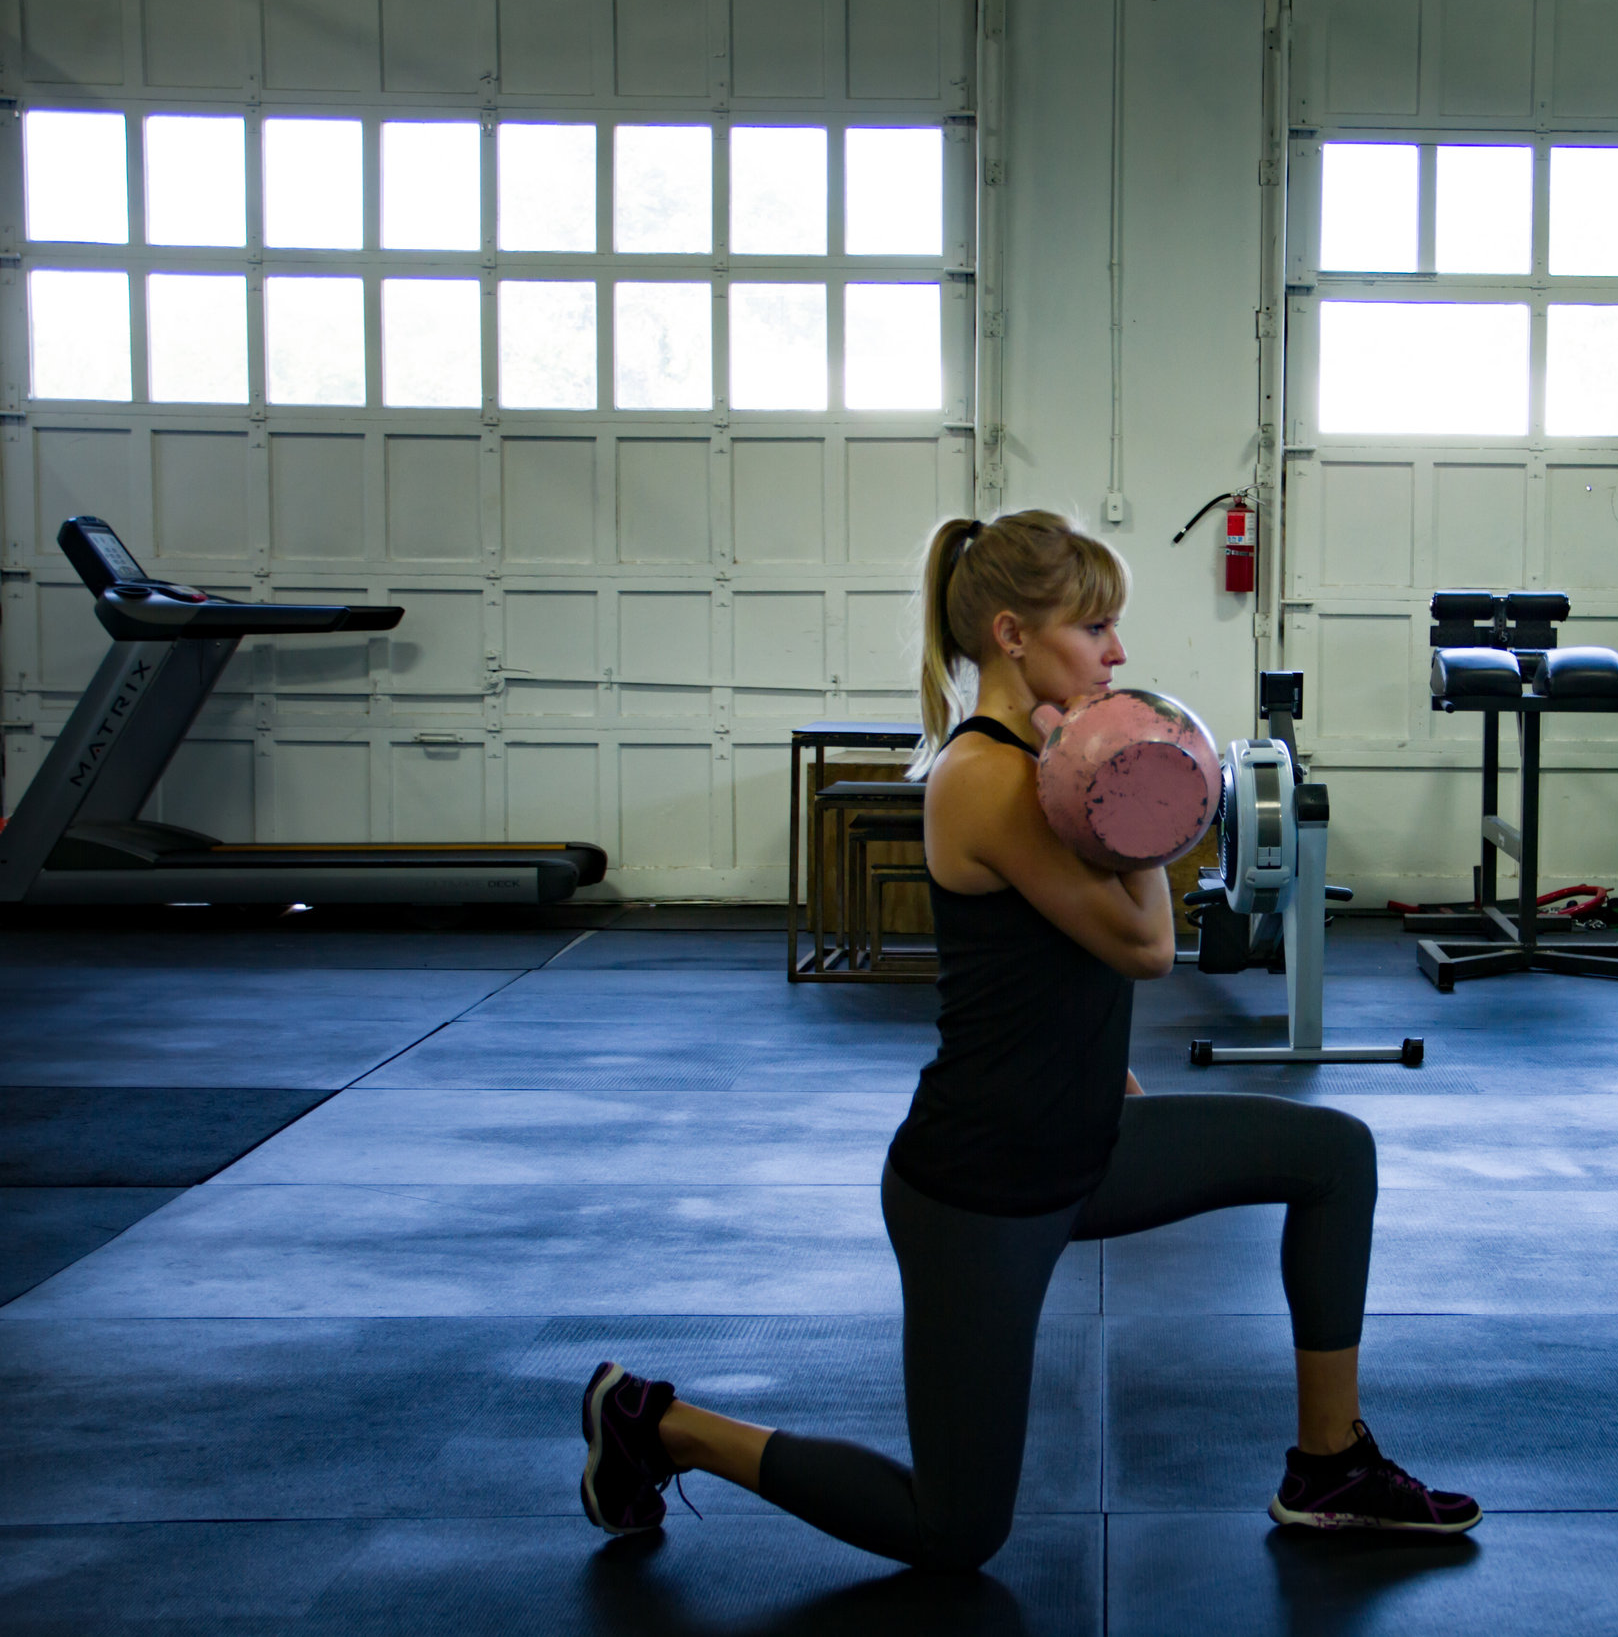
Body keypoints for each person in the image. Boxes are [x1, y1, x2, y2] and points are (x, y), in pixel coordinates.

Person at [578, 510, 1479, 1569]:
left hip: (1085, 1139)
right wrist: (1133, 783)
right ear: (1012, 631)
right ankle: (655, 1423)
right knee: (955, 1529)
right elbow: (1147, 942)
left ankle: (1332, 1463)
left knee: (1334, 1155)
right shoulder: (991, 776)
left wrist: (1109, 1064)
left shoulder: (1048, 759)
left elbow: (1058, 969)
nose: (1117, 652)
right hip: (982, 1182)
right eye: (1094, 625)